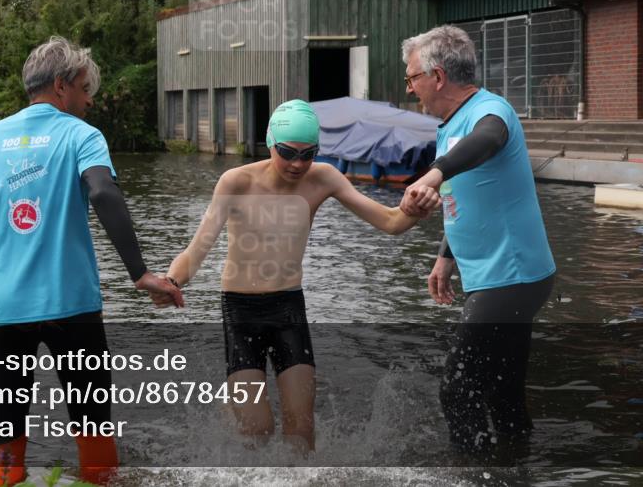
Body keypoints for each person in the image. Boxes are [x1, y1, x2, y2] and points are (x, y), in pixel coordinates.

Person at [0, 35, 183, 486]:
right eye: (86, 88)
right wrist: (141, 273)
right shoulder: (81, 136)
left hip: (5, 312)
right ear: (61, 85)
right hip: (74, 311)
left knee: (4, 431)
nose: (90, 100)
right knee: (92, 422)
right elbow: (104, 193)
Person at [164, 99, 440, 455]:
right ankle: (233, 406)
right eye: (287, 152)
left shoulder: (323, 178)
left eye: (308, 154)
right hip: (241, 311)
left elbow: (390, 222)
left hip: (288, 309)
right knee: (257, 430)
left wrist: (415, 210)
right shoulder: (236, 182)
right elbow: (195, 251)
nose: (297, 164)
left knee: (300, 430)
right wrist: (171, 283)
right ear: (270, 143)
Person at [398, 25, 556, 457]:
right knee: (503, 391)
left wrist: (433, 172)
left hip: (512, 276)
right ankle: (516, 465)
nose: (410, 88)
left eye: (412, 78)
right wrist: (444, 257)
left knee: (457, 388)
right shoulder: (448, 126)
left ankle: (472, 474)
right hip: (494, 275)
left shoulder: (491, 111)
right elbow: (459, 196)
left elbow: (486, 141)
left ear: (438, 76)